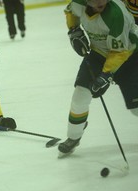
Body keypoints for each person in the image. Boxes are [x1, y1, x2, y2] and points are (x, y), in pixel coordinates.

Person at [58, 0, 138, 157]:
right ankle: (73, 136)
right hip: (99, 54)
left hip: (129, 57)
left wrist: (106, 74)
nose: (99, 1)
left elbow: (119, 52)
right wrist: (74, 31)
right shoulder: (78, 3)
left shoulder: (116, 14)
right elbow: (70, 12)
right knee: (80, 96)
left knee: (136, 109)